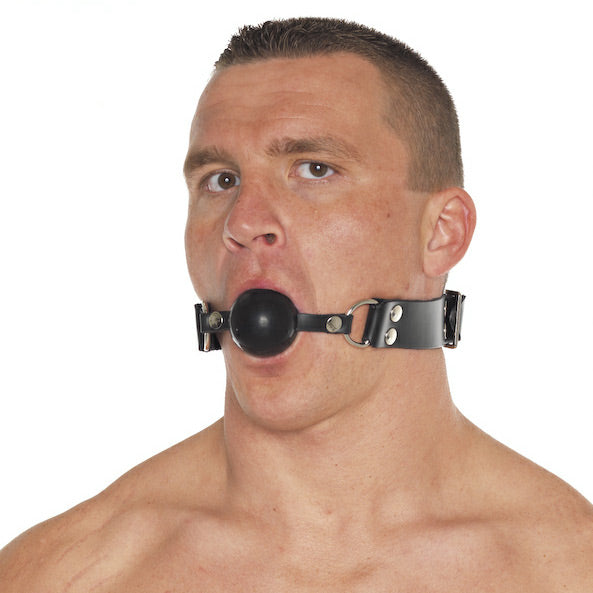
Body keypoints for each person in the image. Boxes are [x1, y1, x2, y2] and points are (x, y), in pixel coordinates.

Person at [1, 17, 592, 592]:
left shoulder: (570, 568)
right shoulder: (59, 576)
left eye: (314, 169)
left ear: (443, 232)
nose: (244, 222)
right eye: (221, 179)